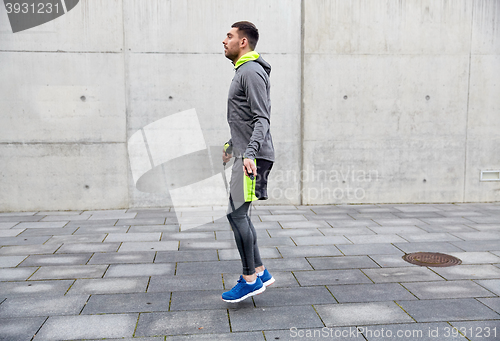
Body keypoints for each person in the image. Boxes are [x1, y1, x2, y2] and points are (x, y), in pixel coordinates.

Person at [221, 21, 275, 303]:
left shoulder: (251, 71)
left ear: (243, 42)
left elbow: (261, 118)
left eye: (229, 36)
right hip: (246, 154)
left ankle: (250, 279)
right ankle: (261, 271)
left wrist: (250, 152)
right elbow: (244, 117)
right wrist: (233, 144)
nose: (224, 40)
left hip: (251, 158)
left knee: (236, 214)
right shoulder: (244, 70)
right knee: (240, 214)